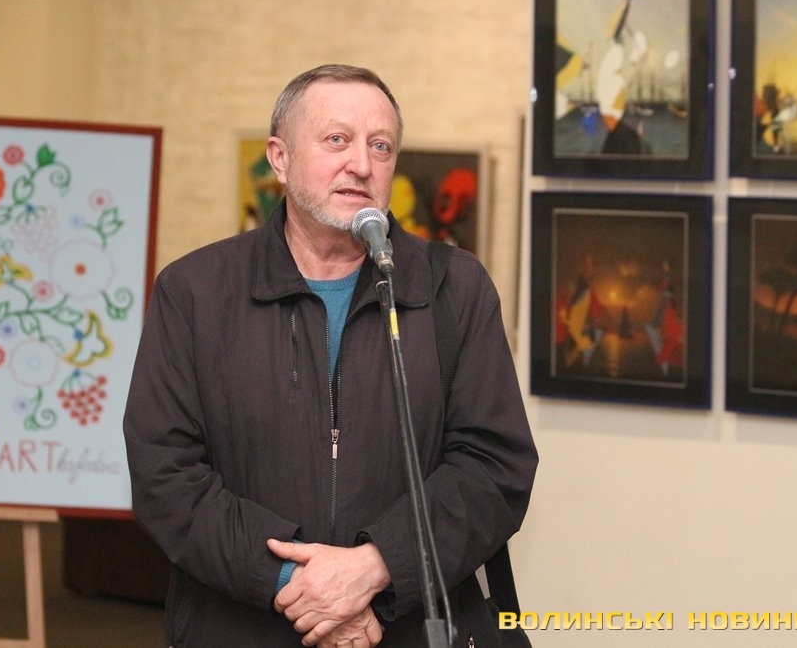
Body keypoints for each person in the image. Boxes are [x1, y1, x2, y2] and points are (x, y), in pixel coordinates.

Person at [123, 64, 538, 647]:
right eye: (337, 139)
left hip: (407, 628)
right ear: (280, 157)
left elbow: (494, 468)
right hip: (239, 628)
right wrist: (302, 585)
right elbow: (165, 475)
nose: (362, 164)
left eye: (380, 146)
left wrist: (375, 569)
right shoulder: (195, 291)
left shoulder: (455, 289)